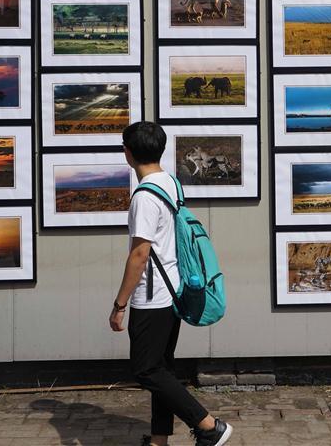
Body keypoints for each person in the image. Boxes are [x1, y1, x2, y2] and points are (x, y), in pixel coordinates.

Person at [109, 121, 233, 446]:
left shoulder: (144, 197)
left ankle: (209, 426)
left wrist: (119, 304)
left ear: (128, 153)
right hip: (174, 289)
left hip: (153, 297)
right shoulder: (170, 182)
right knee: (161, 367)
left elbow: (139, 255)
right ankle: (159, 439)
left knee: (146, 370)